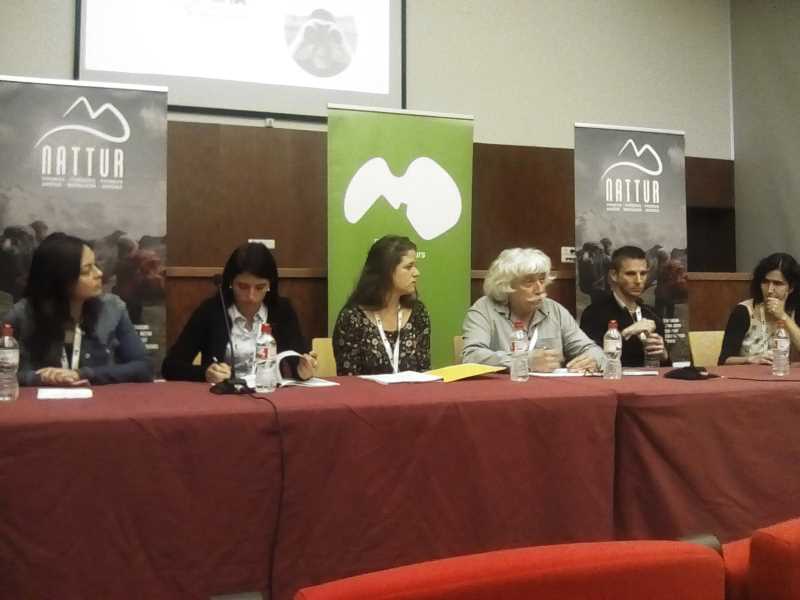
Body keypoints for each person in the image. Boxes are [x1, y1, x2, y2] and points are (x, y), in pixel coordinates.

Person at [2, 233, 153, 386]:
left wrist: (83, 374)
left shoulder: (112, 308)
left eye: (95, 266)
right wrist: (37, 377)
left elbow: (143, 367)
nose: (99, 273)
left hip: (98, 398)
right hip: (38, 400)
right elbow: (3, 373)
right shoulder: (21, 315)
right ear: (60, 277)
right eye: (87, 270)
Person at [162, 242, 317, 382]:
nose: (251, 297)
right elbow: (170, 366)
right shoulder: (211, 311)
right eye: (243, 287)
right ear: (230, 283)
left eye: (260, 287)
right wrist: (205, 373)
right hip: (222, 398)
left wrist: (303, 370)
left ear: (270, 285)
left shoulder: (282, 311)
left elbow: (297, 361)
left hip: (270, 394)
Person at [462, 247, 604, 372]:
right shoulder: (484, 309)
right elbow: (471, 356)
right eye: (529, 281)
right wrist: (524, 361)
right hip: (502, 391)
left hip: (549, 390)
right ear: (506, 285)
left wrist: (593, 359)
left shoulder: (555, 310)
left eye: (542, 280)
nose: (540, 289)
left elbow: (590, 349)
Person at [333, 235, 430, 375]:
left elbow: (424, 371)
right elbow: (348, 377)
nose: (416, 273)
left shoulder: (418, 312)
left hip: (411, 390)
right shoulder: (352, 318)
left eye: (415, 266)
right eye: (409, 267)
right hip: (365, 390)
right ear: (386, 271)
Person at [580, 245, 668, 367]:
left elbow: (666, 368)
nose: (638, 281)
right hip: (612, 377)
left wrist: (663, 355)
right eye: (630, 274)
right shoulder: (594, 313)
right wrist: (626, 333)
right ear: (614, 275)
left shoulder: (652, 314)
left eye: (643, 273)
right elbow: (590, 358)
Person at [719, 252, 800, 365]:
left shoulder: (795, 310)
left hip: (781, 373)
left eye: (777, 284)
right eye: (765, 282)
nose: (770, 290)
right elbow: (723, 361)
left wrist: (783, 316)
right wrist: (751, 359)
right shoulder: (743, 311)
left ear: (791, 288)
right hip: (747, 374)